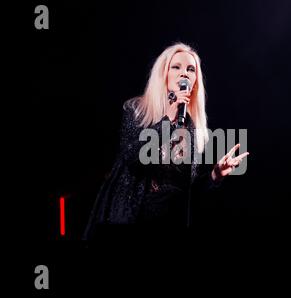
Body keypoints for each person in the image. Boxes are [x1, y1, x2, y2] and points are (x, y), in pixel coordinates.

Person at [83, 43, 249, 240]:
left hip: (168, 223)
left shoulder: (191, 127)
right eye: (176, 67)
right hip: (131, 219)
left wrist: (215, 174)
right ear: (164, 74)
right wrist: (167, 123)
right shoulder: (137, 110)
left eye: (190, 69)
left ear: (195, 81)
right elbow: (131, 158)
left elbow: (187, 191)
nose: (184, 74)